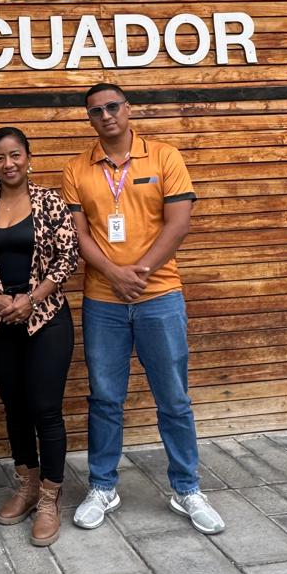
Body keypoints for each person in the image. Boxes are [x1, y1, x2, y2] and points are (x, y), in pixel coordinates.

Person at [62, 83, 225, 535]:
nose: (106, 115)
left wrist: (141, 271)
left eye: (113, 106)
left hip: (160, 296)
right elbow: (79, 235)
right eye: (96, 111)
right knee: (105, 398)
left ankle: (187, 488)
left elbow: (179, 222)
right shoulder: (76, 168)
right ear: (89, 118)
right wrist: (115, 274)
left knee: (173, 398)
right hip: (103, 301)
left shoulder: (165, 157)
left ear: (128, 109)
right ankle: (103, 487)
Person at [0, 127, 78, 546]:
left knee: (45, 410)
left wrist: (32, 298)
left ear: (28, 157)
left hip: (46, 319)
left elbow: (68, 258)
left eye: (15, 155)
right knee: (15, 408)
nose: (8, 163)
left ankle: (49, 497)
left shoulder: (50, 201)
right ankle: (27, 486)